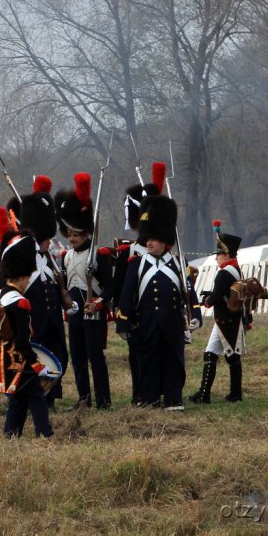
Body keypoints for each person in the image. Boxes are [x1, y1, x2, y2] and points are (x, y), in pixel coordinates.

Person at [116, 195, 201, 410]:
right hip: (147, 323)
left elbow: (189, 292)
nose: (149, 242)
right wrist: (123, 323)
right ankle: (151, 399)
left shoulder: (179, 263)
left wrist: (196, 315)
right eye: (148, 238)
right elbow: (127, 296)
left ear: (164, 239)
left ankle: (174, 400)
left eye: (154, 238)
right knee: (149, 363)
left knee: (174, 362)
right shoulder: (137, 264)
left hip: (172, 324)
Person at [55, 173, 114, 409]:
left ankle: (103, 400)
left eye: (75, 235)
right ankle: (84, 398)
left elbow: (110, 287)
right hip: (75, 313)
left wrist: (98, 303)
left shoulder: (99, 255)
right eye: (69, 235)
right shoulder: (65, 256)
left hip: (93, 311)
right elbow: (66, 286)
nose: (71, 239)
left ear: (85, 233)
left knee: (95, 357)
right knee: (78, 358)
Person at [0, 234, 53, 438]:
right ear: (22, 276)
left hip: (3, 357)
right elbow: (23, 340)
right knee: (37, 397)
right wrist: (35, 363)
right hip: (20, 359)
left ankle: (11, 432)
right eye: (28, 277)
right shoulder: (20, 303)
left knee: (18, 397)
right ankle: (44, 432)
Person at [112, 163, 164, 405]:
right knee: (137, 358)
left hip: (158, 314)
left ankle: (157, 393)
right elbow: (120, 287)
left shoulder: (167, 254)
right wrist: (123, 317)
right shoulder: (129, 252)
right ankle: (139, 394)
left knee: (158, 356)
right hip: (136, 316)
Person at [19, 176, 71, 410]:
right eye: (47, 238)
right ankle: (34, 400)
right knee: (35, 361)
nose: (50, 242)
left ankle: (50, 398)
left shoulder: (50, 258)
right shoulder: (22, 256)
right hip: (33, 320)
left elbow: (56, 286)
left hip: (53, 320)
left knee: (59, 357)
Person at [190, 220, 248, 403]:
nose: (216, 258)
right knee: (219, 355)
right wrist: (212, 295)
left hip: (225, 319)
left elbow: (216, 298)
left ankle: (208, 394)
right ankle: (223, 393)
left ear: (226, 254)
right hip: (231, 319)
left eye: (219, 254)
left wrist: (207, 300)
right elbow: (223, 292)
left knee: (225, 355)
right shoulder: (235, 269)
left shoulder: (224, 272)